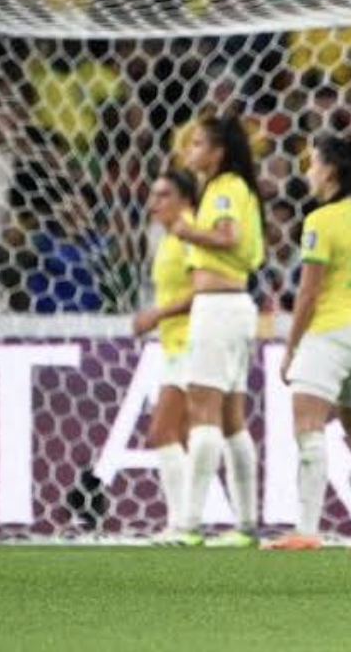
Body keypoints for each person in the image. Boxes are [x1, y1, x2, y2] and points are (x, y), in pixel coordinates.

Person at [265, 136, 351, 550]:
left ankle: (306, 530)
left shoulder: (322, 221)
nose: (308, 172)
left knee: (307, 428)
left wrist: (291, 350)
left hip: (330, 332)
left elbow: (308, 294)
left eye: (313, 163)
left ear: (330, 171)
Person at [165, 116, 266, 547]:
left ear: (217, 152)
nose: (189, 151)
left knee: (203, 412)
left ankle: (187, 525)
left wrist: (186, 230)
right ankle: (245, 526)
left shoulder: (224, 188)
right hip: (236, 307)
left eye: (198, 143)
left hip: (218, 307)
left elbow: (227, 236)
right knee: (230, 419)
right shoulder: (234, 188)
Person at [133, 169, 199, 541]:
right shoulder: (169, 237)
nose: (153, 203)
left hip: (192, 344)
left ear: (185, 200)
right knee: (185, 438)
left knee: (162, 431)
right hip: (177, 344)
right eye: (152, 195)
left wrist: (155, 315)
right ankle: (188, 523)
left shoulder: (190, 232)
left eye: (163, 195)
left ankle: (180, 523)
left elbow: (203, 290)